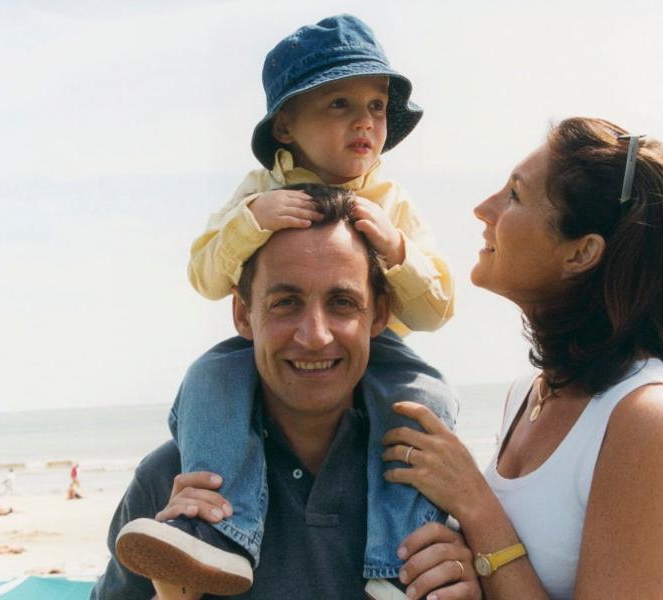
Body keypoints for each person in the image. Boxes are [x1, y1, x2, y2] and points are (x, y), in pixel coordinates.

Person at [115, 14, 457, 597]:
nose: (365, 121)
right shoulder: (256, 193)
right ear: (286, 126)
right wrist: (250, 225)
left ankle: (397, 563)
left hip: (385, 354)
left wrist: (397, 251)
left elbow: (434, 311)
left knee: (429, 397)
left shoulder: (391, 202)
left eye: (377, 106)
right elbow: (204, 274)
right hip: (225, 442)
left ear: (372, 309)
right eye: (339, 104)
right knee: (208, 378)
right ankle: (218, 534)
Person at [381, 118, 663, 599]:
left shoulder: (652, 418)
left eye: (514, 195)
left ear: (581, 253)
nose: (483, 208)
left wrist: (477, 507)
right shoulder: (528, 394)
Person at [94, 188, 476, 600]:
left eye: (343, 302)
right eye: (286, 302)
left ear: (379, 314)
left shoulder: (429, 475)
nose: (315, 336)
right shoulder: (172, 479)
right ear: (243, 313)